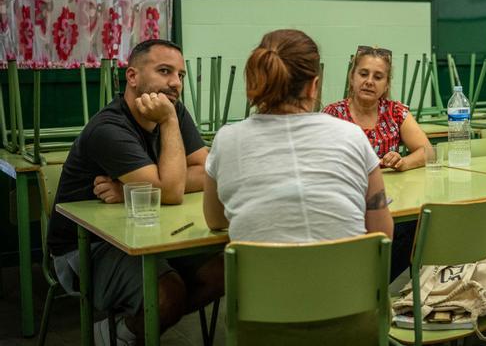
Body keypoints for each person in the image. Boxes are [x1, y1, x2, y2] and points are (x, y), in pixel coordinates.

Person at [47, 39, 224, 345]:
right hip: (87, 248)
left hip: (150, 232)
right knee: (167, 293)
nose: (175, 83)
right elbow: (170, 192)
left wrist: (141, 184)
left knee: (224, 270)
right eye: (165, 71)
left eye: (180, 75)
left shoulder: (174, 109)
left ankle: (127, 331)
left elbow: (208, 170)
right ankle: (120, 334)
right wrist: (167, 129)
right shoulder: (109, 127)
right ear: (132, 77)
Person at [202, 29, 394, 243]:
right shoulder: (353, 136)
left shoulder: (226, 140)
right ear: (314, 87)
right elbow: (382, 235)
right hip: (345, 275)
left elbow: (216, 221)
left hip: (261, 275)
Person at [323, 45, 431, 171]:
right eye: (363, 74)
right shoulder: (332, 115)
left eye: (378, 77)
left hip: (390, 189)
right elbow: (316, 160)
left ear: (386, 85)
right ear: (352, 78)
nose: (369, 81)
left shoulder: (396, 112)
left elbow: (428, 151)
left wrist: (402, 163)